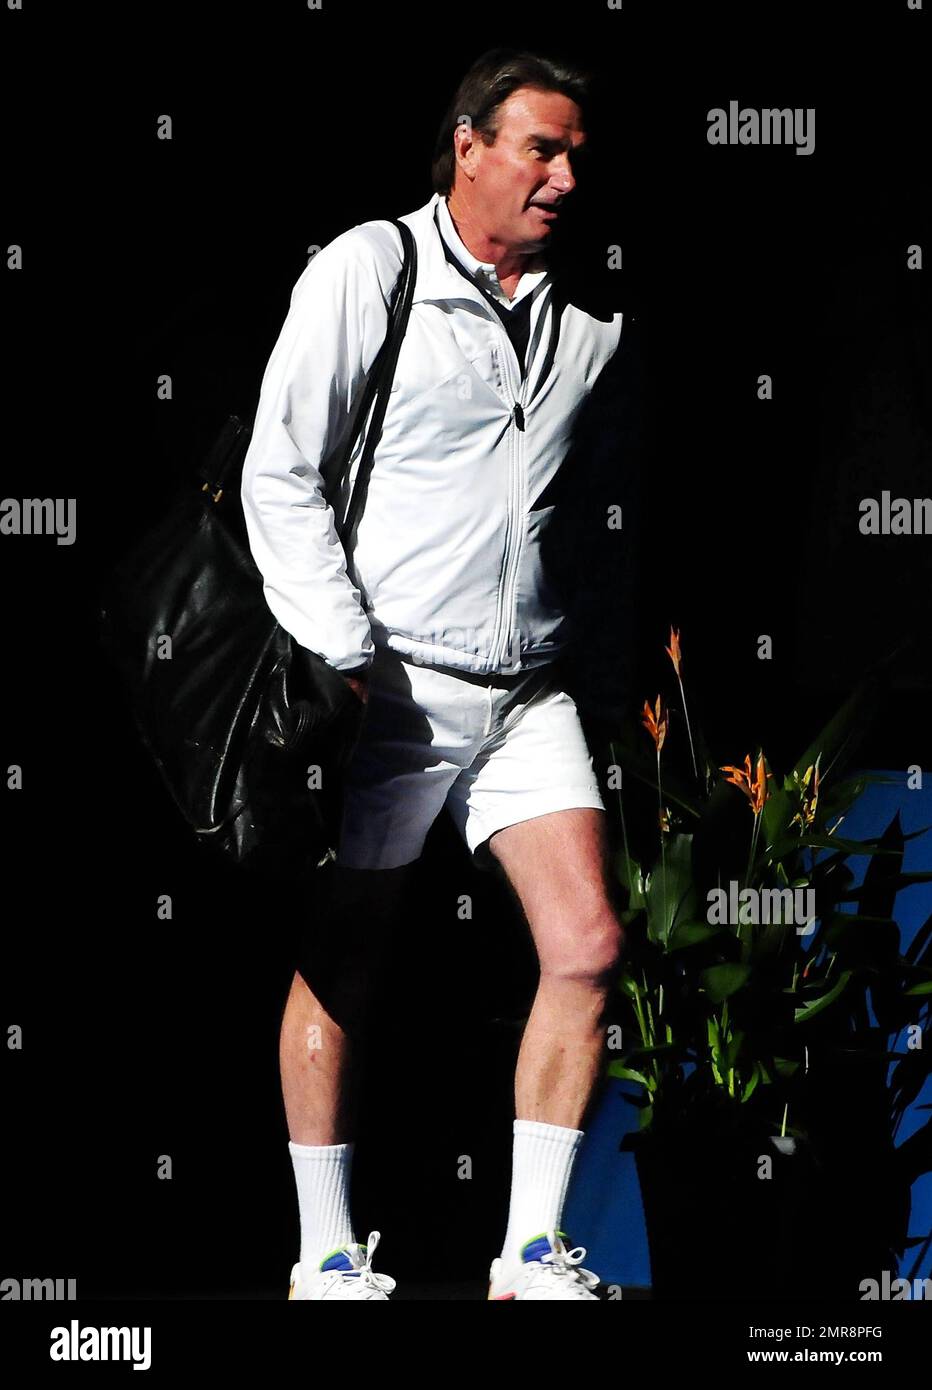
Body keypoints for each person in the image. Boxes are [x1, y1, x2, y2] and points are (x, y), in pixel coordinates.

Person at [241, 47, 634, 1301]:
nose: (564, 175)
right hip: (391, 684)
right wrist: (344, 656)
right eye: (539, 147)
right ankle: (323, 1251)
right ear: (465, 145)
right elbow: (279, 470)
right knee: (347, 957)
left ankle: (528, 1249)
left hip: (525, 687)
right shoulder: (372, 268)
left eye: (576, 153)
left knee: (584, 942)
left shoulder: (589, 315)